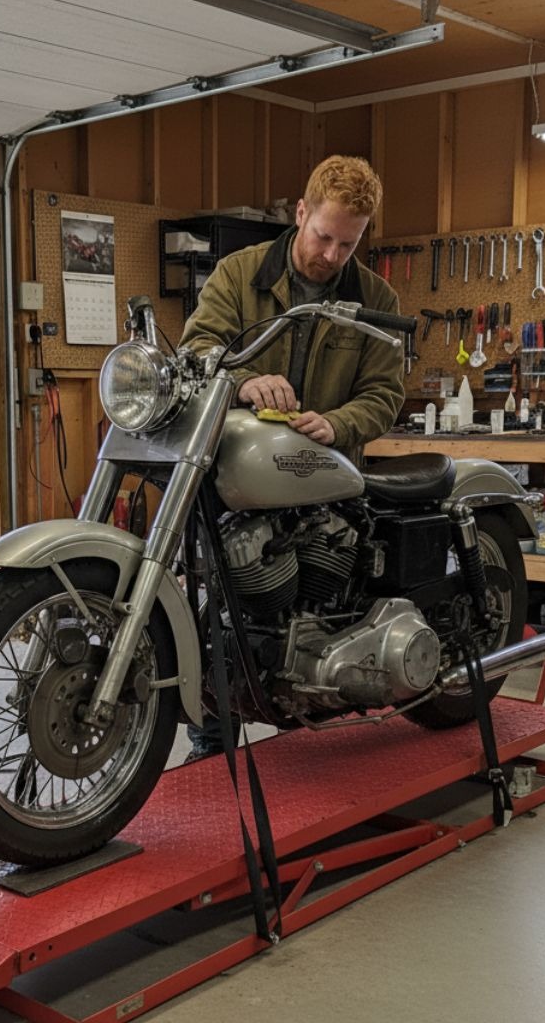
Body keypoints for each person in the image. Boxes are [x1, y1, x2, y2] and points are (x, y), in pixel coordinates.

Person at [180, 154, 405, 759]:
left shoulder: (374, 298)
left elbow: (385, 392)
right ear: (300, 213)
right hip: (239, 470)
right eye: (323, 236)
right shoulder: (240, 273)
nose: (332, 255)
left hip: (323, 477)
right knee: (218, 592)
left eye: (347, 244)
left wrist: (337, 422)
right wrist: (248, 380)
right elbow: (199, 345)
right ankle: (212, 733)